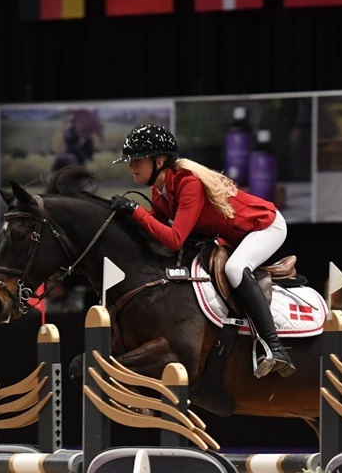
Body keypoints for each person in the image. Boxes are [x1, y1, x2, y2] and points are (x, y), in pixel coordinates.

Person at [110, 123, 294, 377]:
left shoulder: (189, 183)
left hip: (265, 225)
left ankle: (274, 347)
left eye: (137, 160)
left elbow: (174, 239)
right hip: (233, 236)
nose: (131, 166)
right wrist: (125, 219)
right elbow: (153, 229)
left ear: (159, 161)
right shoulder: (160, 191)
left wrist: (135, 210)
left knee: (235, 268)